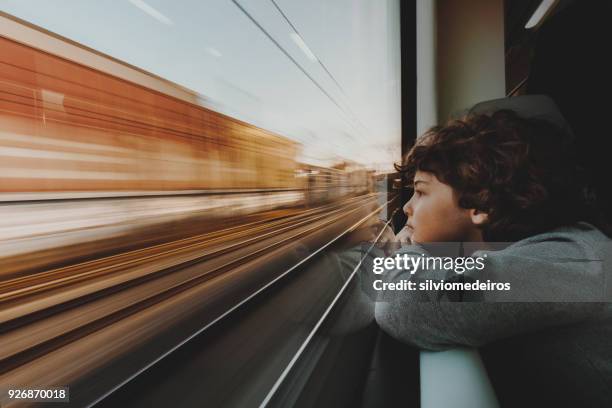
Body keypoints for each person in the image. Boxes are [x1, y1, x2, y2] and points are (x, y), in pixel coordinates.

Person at [373, 109, 612, 406]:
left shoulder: (576, 261)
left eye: (420, 193)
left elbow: (405, 303)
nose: (407, 208)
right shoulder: (514, 254)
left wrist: (406, 249)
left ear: (480, 205)